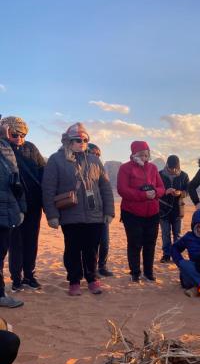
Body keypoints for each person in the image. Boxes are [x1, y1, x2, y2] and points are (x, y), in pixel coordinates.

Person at [42, 123, 114, 296]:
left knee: (91, 250)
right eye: (77, 139)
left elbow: (105, 187)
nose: (81, 142)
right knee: (73, 249)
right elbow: (48, 188)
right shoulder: (56, 160)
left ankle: (92, 279)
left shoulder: (95, 160)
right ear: (68, 141)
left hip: (94, 214)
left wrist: (109, 211)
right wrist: (51, 214)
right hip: (70, 214)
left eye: (85, 140)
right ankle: (74, 281)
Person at [0, 117, 45, 292]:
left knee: (31, 241)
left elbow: (43, 171)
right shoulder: (3, 148)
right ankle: (16, 278)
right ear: (5, 130)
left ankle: (29, 275)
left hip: (33, 204)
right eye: (15, 133)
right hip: (14, 204)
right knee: (15, 243)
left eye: (23, 134)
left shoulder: (31, 148)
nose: (19, 137)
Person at [117, 141, 165, 282]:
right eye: (142, 155)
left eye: (147, 155)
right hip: (132, 213)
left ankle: (148, 272)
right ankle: (135, 273)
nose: (145, 157)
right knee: (135, 243)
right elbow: (122, 189)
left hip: (152, 213)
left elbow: (161, 187)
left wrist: (155, 192)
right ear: (134, 154)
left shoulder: (153, 168)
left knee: (150, 243)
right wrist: (143, 195)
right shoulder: (125, 168)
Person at [0, 125, 26, 307]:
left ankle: (0, 295)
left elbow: (16, 182)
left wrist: (21, 208)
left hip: (7, 212)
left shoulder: (7, 149)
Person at [87, 143, 113, 277]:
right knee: (92, 244)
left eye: (98, 154)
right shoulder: (83, 170)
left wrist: (108, 211)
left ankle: (102, 266)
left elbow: (107, 191)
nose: (96, 156)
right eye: (93, 153)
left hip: (102, 212)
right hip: (89, 213)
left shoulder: (101, 170)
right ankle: (92, 269)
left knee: (105, 242)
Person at [159, 155, 189, 263]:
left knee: (177, 234)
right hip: (163, 210)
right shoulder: (160, 174)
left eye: (175, 168)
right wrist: (165, 192)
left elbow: (187, 191)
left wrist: (180, 193)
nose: (173, 170)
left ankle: (176, 255)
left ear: (178, 166)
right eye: (171, 168)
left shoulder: (184, 176)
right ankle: (166, 255)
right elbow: (156, 189)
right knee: (165, 234)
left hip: (177, 210)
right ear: (167, 165)